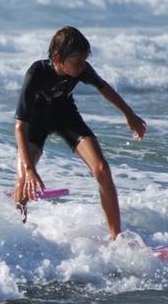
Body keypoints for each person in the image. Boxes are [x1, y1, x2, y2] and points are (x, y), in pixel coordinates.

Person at [13, 26, 146, 239]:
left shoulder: (82, 69)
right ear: (58, 57)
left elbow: (104, 88)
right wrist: (29, 168)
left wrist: (129, 115)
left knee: (102, 169)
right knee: (24, 181)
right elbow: (20, 125)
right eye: (77, 61)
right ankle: (16, 235)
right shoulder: (36, 72)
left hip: (66, 116)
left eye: (84, 60)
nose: (82, 66)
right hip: (35, 123)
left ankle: (116, 238)